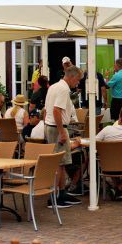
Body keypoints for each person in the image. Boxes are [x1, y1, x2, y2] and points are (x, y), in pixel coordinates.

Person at [43, 65, 83, 207]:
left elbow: (46, 110)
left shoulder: (53, 87)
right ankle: (55, 197)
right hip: (56, 128)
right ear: (72, 77)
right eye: (77, 80)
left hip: (50, 126)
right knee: (59, 164)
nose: (77, 83)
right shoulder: (63, 89)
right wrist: (61, 132)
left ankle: (61, 192)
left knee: (61, 163)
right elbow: (56, 110)